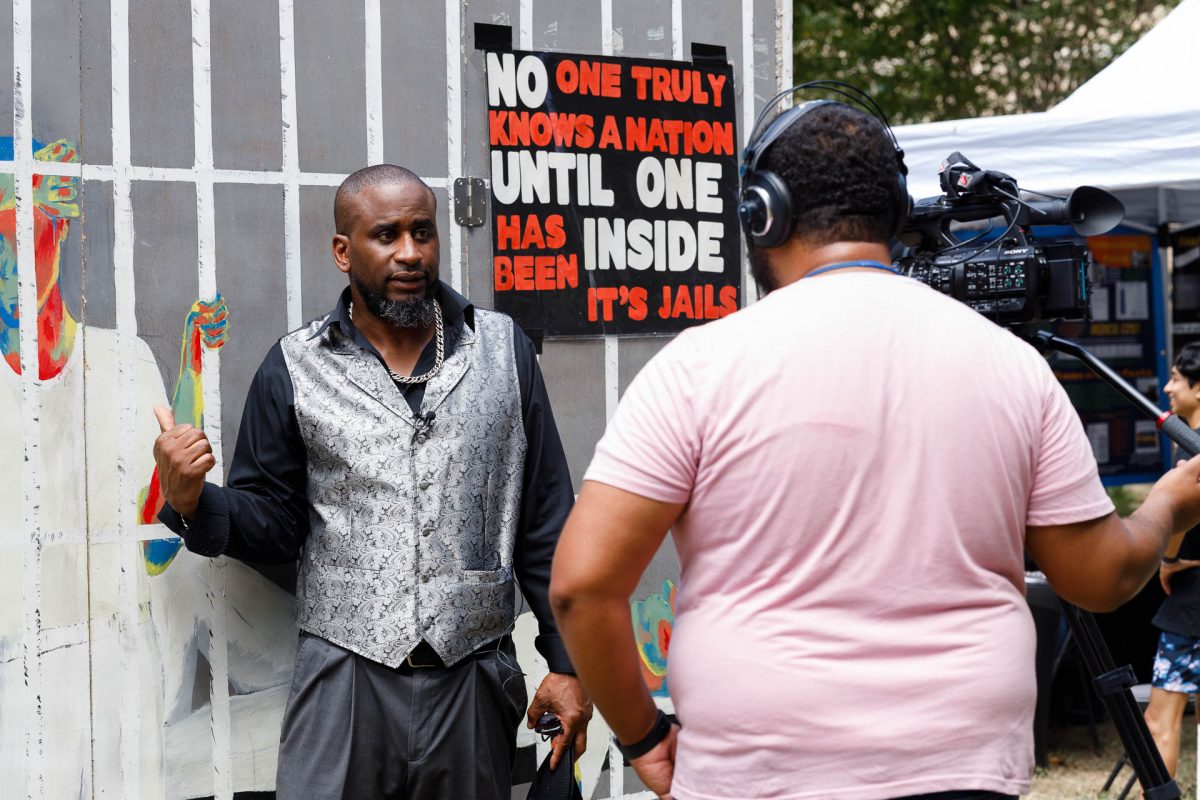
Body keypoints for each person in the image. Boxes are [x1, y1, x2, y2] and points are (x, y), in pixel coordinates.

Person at [548, 99, 1200, 800]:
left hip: (755, 774)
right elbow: (1099, 577)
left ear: (761, 215)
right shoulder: (1010, 365)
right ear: (893, 212)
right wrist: (1168, 505)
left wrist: (645, 739)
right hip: (962, 771)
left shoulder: (697, 366)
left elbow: (582, 588)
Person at [152, 164, 591, 799]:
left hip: (471, 680)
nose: (410, 252)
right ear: (343, 250)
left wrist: (568, 663)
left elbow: (546, 524)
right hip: (344, 681)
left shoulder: (503, 350)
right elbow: (274, 524)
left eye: (423, 232)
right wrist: (192, 501)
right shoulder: (295, 366)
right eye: (386, 235)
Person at [1144, 342, 1200, 776]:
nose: (1166, 388)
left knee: (1159, 721)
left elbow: (1180, 515)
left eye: (1176, 379)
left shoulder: (1190, 458)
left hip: (1190, 606)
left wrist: (1168, 558)